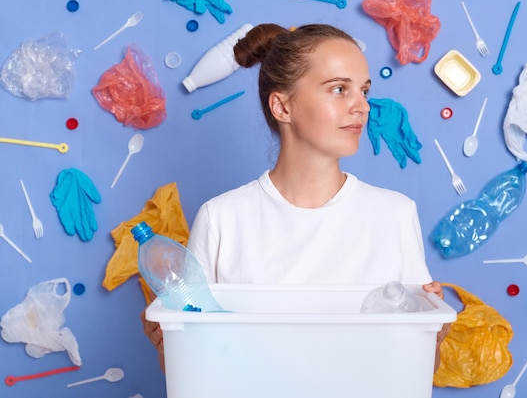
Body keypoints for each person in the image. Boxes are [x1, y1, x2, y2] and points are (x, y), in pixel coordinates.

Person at [142, 23, 448, 372]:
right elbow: (193, 371)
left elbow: (418, 371)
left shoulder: (394, 214)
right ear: (282, 107)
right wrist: (167, 345)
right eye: (339, 89)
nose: (361, 106)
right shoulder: (221, 219)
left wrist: (431, 338)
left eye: (363, 90)